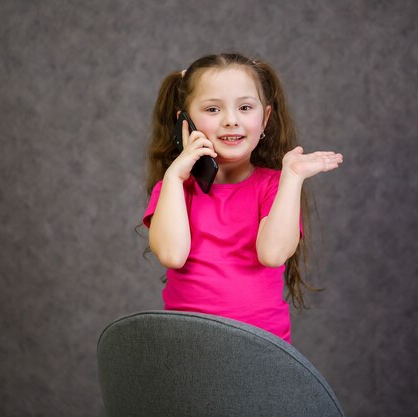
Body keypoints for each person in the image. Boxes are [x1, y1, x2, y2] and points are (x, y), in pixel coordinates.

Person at [142, 53, 343, 342]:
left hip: (261, 349)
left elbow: (272, 254)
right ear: (184, 123)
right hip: (188, 345)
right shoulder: (174, 189)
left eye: (245, 107)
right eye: (213, 109)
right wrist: (175, 176)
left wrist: (293, 177)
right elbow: (173, 255)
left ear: (265, 119)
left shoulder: (276, 185)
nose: (231, 121)